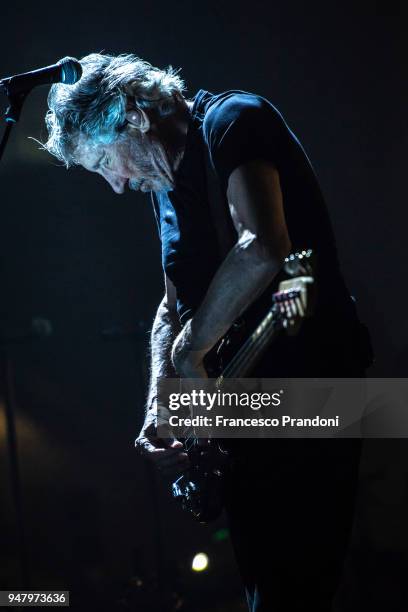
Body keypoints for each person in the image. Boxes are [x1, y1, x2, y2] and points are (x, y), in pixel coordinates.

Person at [43, 52, 373, 611]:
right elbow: (172, 305)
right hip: (241, 414)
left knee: (297, 589)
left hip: (315, 385)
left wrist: (190, 349)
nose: (117, 185)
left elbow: (263, 246)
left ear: (133, 116)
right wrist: (159, 401)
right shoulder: (165, 187)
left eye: (105, 162)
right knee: (265, 592)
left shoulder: (234, 121)